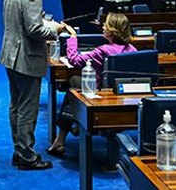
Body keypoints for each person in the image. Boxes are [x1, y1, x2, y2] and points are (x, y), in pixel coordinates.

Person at [0, 0, 64, 171]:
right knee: (27, 109)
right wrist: (55, 30)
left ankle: (19, 151)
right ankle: (27, 156)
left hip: (10, 57)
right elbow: (35, 30)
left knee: (16, 106)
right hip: (26, 59)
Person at [47, 12, 137, 157]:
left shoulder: (103, 51)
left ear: (112, 31)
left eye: (106, 24)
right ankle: (72, 127)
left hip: (101, 96)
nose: (103, 26)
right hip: (123, 96)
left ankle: (62, 137)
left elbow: (75, 60)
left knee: (73, 87)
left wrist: (73, 38)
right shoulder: (133, 50)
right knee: (75, 84)